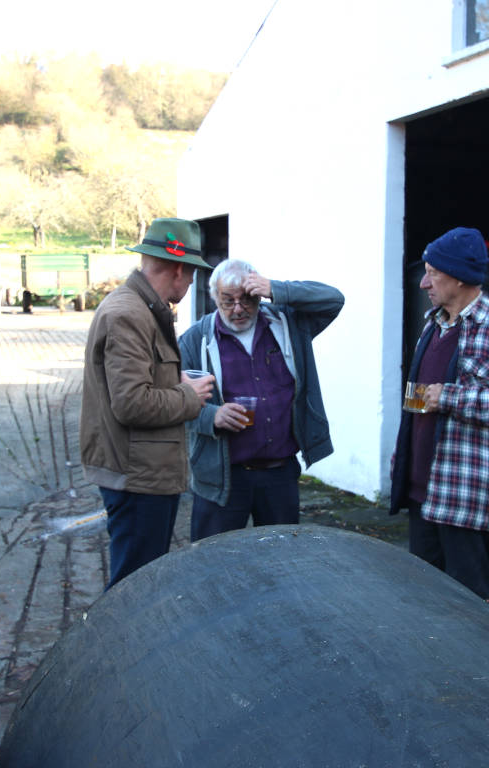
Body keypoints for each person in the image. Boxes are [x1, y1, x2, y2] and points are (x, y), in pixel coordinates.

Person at [389, 227, 489, 605]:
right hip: (421, 492)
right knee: (424, 599)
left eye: (433, 273)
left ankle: (482, 667)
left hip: (463, 497)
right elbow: (418, 401)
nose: (425, 282)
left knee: (471, 606)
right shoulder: (433, 324)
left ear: (459, 277)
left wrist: (454, 398)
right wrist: (405, 452)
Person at [80, 217, 215, 590]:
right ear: (178, 269)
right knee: (133, 589)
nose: (191, 285)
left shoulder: (141, 307)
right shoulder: (129, 314)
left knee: (139, 580)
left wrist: (174, 381)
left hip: (143, 473)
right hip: (138, 478)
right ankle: (120, 648)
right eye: (192, 276)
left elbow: (136, 383)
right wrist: (189, 397)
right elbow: (131, 403)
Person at [179, 259, 344, 541]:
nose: (239, 309)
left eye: (247, 299)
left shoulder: (286, 325)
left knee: (281, 562)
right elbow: (173, 401)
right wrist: (211, 416)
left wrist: (276, 289)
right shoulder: (195, 341)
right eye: (227, 301)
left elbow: (333, 300)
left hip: (279, 474)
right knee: (214, 562)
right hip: (223, 477)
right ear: (214, 299)